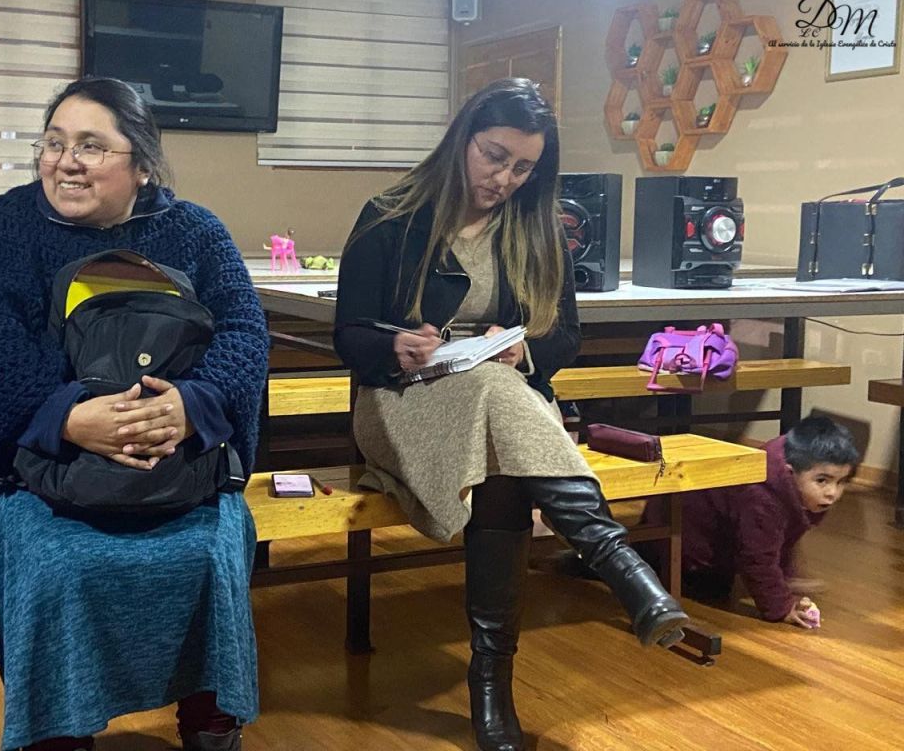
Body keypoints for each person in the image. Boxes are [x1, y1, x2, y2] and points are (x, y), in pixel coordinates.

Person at [332, 77, 687, 751]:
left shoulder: (537, 227)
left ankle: (491, 680)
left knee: (501, 433)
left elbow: (566, 337)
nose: (504, 179)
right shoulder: (390, 215)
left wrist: (524, 349)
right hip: (400, 401)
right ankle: (617, 565)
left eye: (523, 168)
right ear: (462, 138)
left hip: (501, 409)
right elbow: (348, 336)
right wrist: (396, 346)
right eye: (494, 156)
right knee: (499, 402)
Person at [0, 77, 269, 751]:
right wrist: (68, 418)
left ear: (141, 164)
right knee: (53, 562)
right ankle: (57, 734)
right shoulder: (1, 228)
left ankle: (212, 730)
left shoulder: (195, 231)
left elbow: (244, 332)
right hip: (38, 470)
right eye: (54, 144)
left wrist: (190, 405)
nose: (67, 162)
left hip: (178, 463)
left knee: (214, 550)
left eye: (91, 146)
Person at [641, 414, 858, 628]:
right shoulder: (762, 497)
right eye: (822, 480)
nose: (832, 493)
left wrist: (786, 577)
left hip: (708, 535)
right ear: (790, 472)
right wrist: (782, 607)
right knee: (710, 590)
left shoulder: (795, 475)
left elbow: (783, 534)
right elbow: (757, 557)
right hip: (681, 542)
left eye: (841, 482)